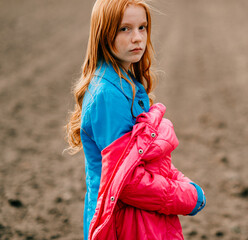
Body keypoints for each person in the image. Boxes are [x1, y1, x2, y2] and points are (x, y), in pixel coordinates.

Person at [65, 0, 206, 239]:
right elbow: (126, 180)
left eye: (142, 27)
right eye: (124, 29)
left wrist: (185, 184)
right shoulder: (108, 95)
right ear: (103, 33)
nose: (137, 38)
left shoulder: (126, 84)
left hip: (139, 219)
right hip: (122, 225)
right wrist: (188, 196)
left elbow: (149, 160)